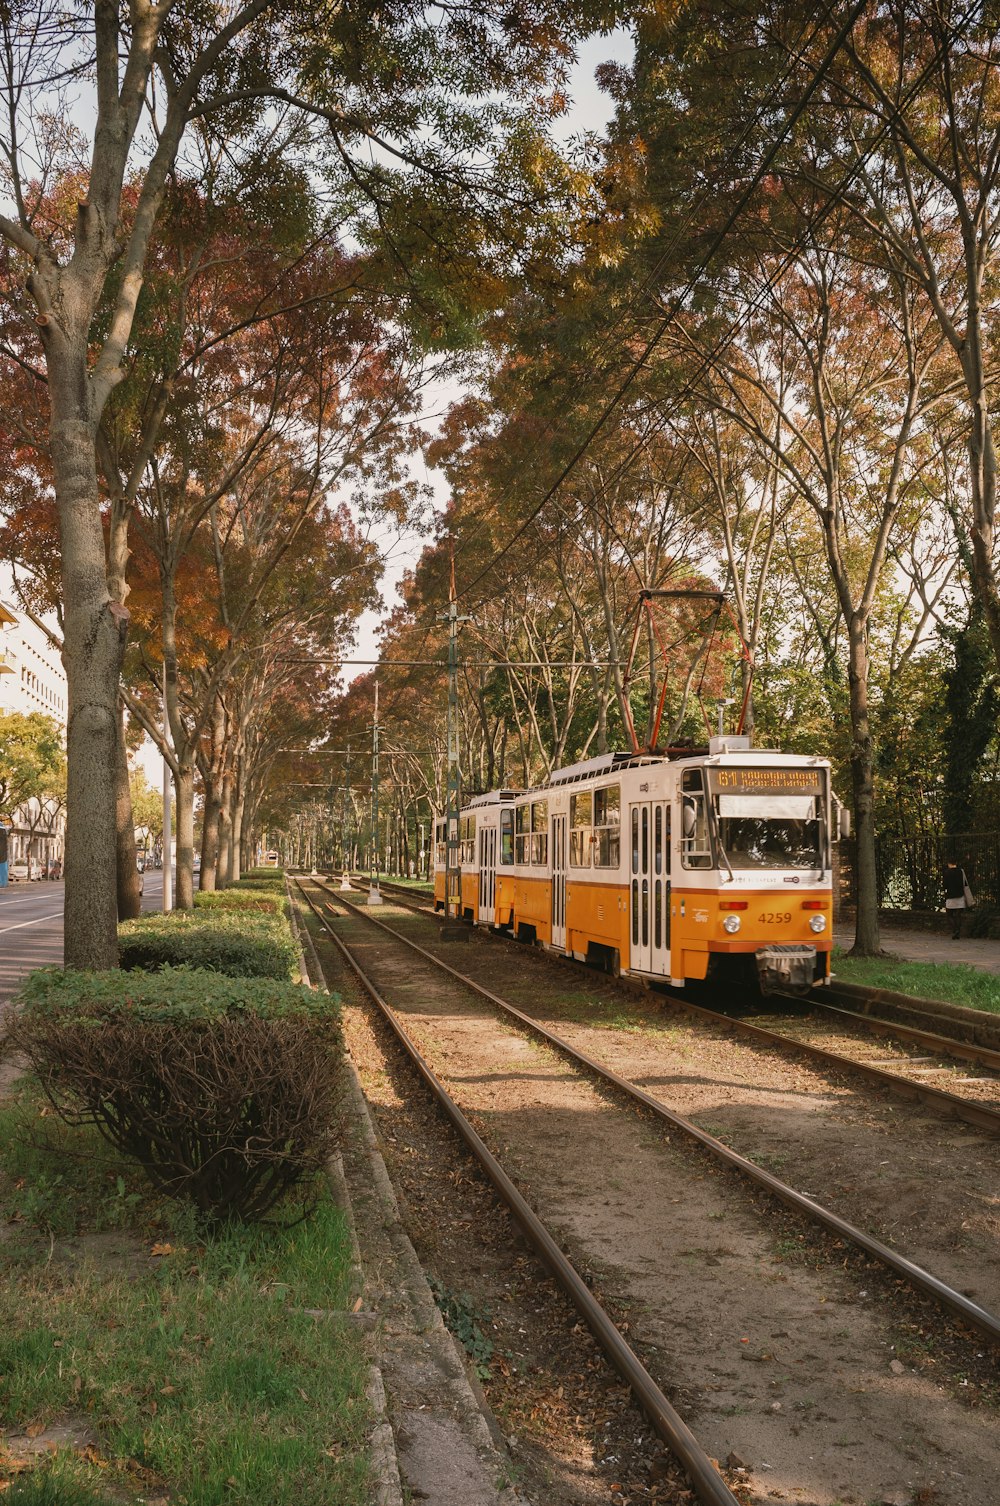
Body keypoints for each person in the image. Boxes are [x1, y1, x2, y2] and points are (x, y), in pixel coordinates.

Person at [943, 858, 971, 939]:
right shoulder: (961, 871)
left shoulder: (946, 872)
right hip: (960, 895)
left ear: (949, 863)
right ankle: (958, 930)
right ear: (956, 863)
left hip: (950, 896)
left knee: (949, 915)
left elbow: (945, 885)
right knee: (958, 915)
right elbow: (965, 883)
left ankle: (955, 930)